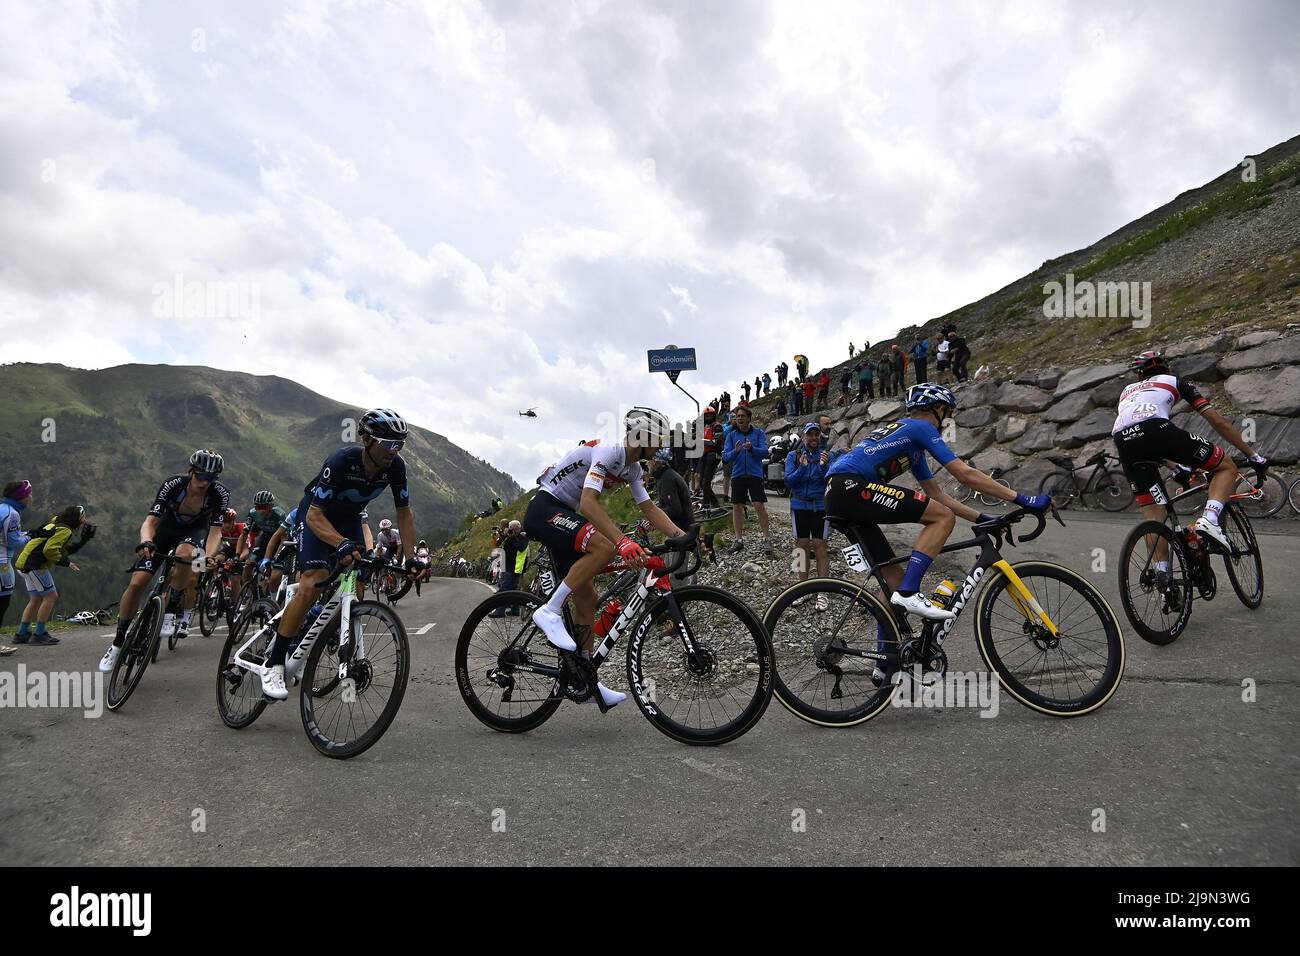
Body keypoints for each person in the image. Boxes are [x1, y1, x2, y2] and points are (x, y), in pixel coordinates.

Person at [824, 383, 1050, 680]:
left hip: (839, 493)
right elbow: (964, 474)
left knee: (892, 579)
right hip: (851, 487)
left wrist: (984, 517)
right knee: (940, 519)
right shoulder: (919, 427)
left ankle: (884, 663)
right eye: (948, 413)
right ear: (937, 409)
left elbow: (940, 495)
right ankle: (910, 593)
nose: (948, 420)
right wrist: (1022, 499)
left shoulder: (911, 446)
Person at [524, 407, 687, 710]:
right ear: (643, 435)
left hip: (563, 514)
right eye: (657, 438)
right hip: (545, 509)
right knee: (604, 547)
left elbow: (649, 509)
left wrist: (684, 536)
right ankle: (549, 610)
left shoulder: (634, 469)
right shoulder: (611, 452)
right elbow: (588, 503)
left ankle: (587, 676)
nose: (660, 445)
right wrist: (622, 541)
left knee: (587, 599)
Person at [260, 408, 416, 700]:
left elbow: (404, 513)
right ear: (367, 439)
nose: (394, 451)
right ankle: (274, 661)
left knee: (356, 582)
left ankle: (322, 629)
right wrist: (340, 542)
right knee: (313, 580)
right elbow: (316, 516)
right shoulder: (342, 461)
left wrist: (411, 559)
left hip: (350, 519)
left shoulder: (396, 468)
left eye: (400, 445)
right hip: (316, 515)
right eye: (388, 444)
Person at [1112, 351, 1268, 558]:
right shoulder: (1175, 381)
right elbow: (1218, 422)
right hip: (1156, 428)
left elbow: (1139, 435)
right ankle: (1210, 520)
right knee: (1226, 466)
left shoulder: (1126, 391)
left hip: (1123, 439)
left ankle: (1162, 581)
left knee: (1153, 517)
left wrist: (1176, 467)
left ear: (1139, 375)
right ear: (1166, 368)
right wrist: (1254, 456)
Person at [98, 450, 229, 673]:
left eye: (211, 478)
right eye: (202, 477)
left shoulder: (219, 494)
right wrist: (146, 541)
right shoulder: (174, 485)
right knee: (137, 583)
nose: (205, 483)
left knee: (186, 556)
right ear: (191, 472)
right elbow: (150, 520)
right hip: (166, 529)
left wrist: (208, 556)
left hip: (195, 531)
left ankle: (173, 608)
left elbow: (216, 531)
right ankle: (117, 644)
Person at [11, 505, 93, 645]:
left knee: (36, 598)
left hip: (24, 561)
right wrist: (66, 562)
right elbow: (50, 550)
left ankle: (22, 633)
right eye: (82, 517)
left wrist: (80, 543)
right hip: (35, 565)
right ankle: (39, 634)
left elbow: (59, 547)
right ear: (77, 518)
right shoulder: (65, 531)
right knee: (50, 596)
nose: (84, 520)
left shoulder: (56, 523)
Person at [785, 424, 833, 608]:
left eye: (816, 434)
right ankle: (801, 588)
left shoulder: (826, 456)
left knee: (820, 545)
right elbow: (789, 481)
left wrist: (823, 466)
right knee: (801, 546)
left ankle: (823, 591)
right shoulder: (793, 456)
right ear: (803, 437)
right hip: (799, 505)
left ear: (819, 437)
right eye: (809, 435)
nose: (813, 438)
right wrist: (803, 468)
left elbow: (829, 479)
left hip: (820, 506)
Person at [722, 404, 772, 556]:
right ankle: (738, 540)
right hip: (738, 475)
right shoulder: (731, 436)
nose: (740, 419)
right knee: (737, 506)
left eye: (743, 416)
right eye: (738, 417)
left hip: (755, 474)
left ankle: (766, 538)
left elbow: (765, 452)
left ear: (749, 418)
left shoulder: (758, 433)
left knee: (758, 505)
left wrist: (752, 449)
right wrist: (735, 451)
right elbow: (725, 457)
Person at [0, 480, 34, 636]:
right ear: (20, 497)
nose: (31, 497)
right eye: (28, 494)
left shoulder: (2, 508)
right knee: (2, 603)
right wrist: (31, 537)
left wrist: (26, 534)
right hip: (2, 563)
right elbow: (14, 542)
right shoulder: (12, 514)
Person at [489, 521, 529, 617]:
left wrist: (513, 537)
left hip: (515, 568)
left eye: (516, 528)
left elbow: (521, 547)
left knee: (504, 589)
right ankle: (515, 610)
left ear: (520, 528)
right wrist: (503, 535)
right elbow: (497, 545)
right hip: (507, 566)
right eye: (512, 529)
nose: (514, 531)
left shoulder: (523, 537)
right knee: (514, 590)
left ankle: (500, 611)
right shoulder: (509, 537)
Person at [697, 406, 722, 509]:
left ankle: (706, 504)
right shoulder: (705, 427)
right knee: (702, 482)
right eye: (706, 416)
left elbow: (715, 442)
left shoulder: (717, 427)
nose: (708, 417)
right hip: (705, 455)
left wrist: (701, 440)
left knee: (706, 482)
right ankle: (714, 502)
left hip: (713, 455)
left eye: (710, 415)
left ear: (713, 416)